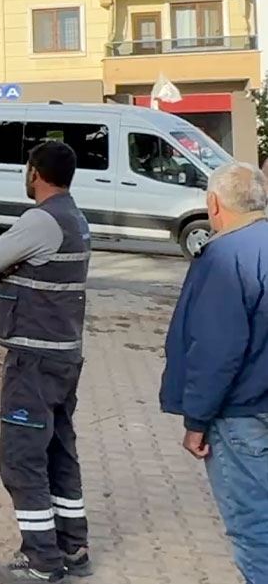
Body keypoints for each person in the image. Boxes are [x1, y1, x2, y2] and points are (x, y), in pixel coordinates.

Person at [0, 141, 93, 583]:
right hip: (63, 356)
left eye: (28, 168)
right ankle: (72, 546)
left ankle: (41, 561)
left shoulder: (41, 220)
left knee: (21, 457)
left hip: (34, 361)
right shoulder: (75, 216)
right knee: (59, 450)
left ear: (36, 173)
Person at [161, 162, 268, 583]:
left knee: (254, 526)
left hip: (240, 413)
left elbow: (217, 350)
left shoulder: (224, 257)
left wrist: (196, 420)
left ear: (213, 204)